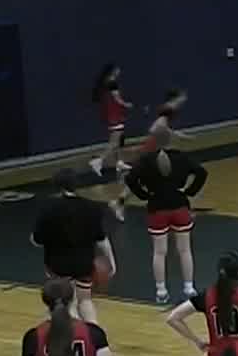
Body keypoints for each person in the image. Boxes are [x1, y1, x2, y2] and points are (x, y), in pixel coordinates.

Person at [124, 130, 207, 304]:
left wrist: (143, 195)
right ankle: (189, 287)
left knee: (159, 252)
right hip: (179, 205)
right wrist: (190, 191)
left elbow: (130, 178)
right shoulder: (181, 157)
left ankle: (161, 291)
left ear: (154, 141)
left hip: (157, 207)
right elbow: (202, 172)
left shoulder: (146, 160)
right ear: (171, 139)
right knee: (185, 249)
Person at [33, 168, 115, 325]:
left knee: (61, 304)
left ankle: (62, 333)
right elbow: (102, 239)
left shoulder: (48, 209)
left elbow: (37, 240)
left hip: (57, 265)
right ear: (76, 185)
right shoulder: (92, 207)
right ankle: (95, 332)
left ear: (56, 185)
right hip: (84, 264)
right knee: (85, 300)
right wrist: (112, 262)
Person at [88, 64, 133, 221]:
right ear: (114, 71)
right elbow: (117, 99)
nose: (120, 71)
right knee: (114, 141)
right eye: (118, 69)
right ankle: (98, 161)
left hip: (110, 113)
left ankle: (119, 162)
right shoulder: (112, 83)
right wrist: (126, 105)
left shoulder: (104, 83)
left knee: (118, 139)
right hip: (115, 114)